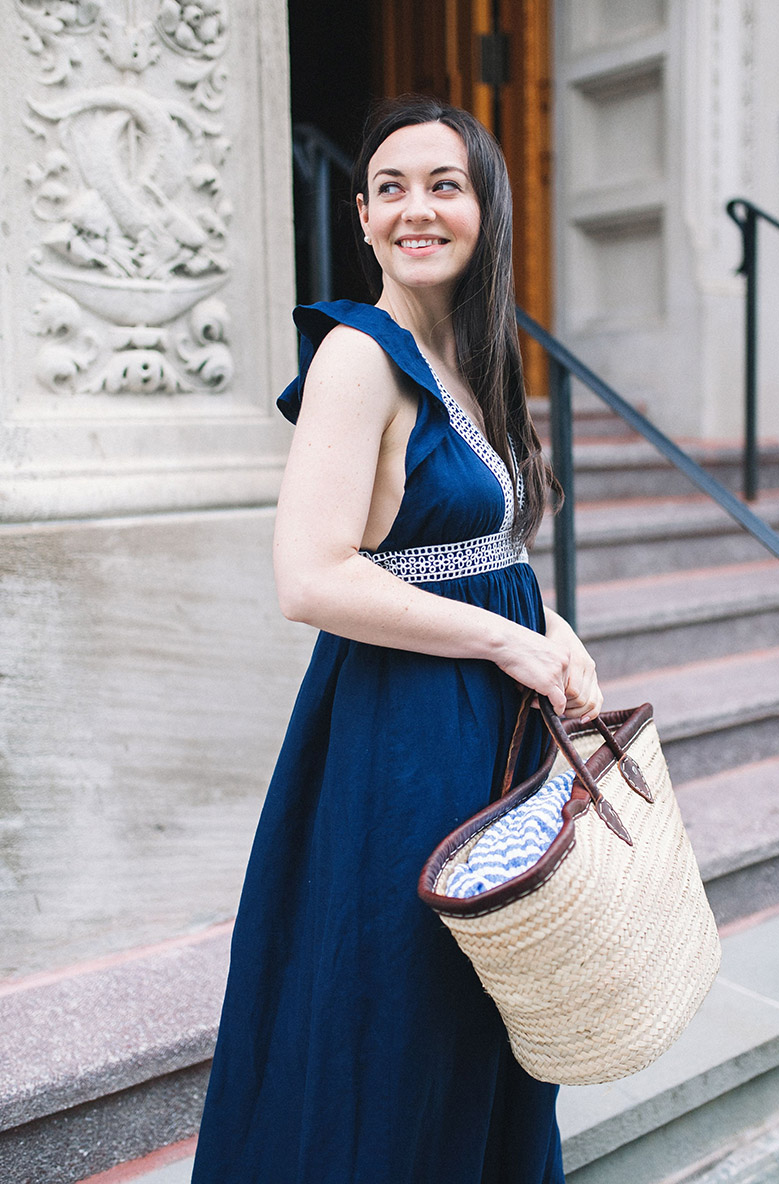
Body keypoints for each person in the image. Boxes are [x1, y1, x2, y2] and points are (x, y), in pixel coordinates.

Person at [191, 96, 602, 1184]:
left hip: (486, 725)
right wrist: (506, 646)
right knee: (401, 1017)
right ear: (362, 219)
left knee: (483, 1015)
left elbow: (479, 550)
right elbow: (308, 577)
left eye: (443, 185)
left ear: (484, 209)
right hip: (405, 734)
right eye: (390, 189)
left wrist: (554, 634)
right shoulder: (357, 359)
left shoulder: (469, 357)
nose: (415, 208)